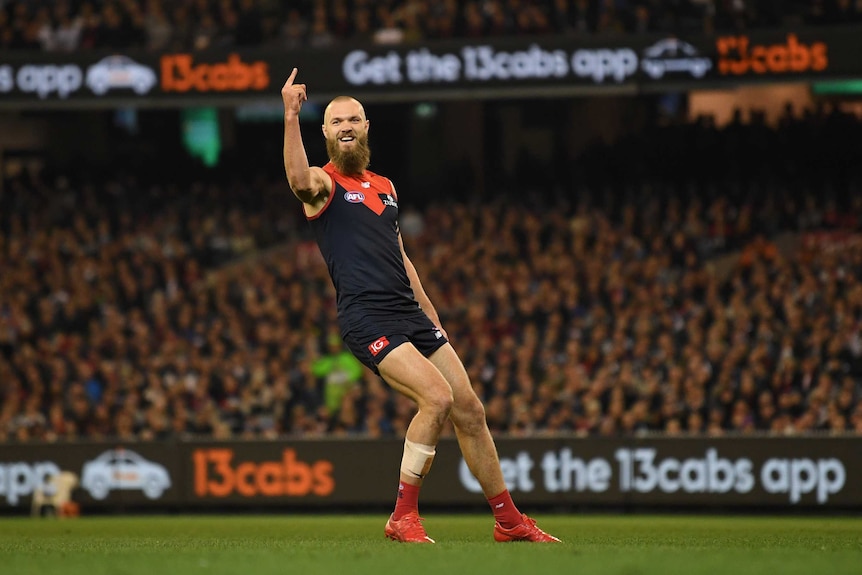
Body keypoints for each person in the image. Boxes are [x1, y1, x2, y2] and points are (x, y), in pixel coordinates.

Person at [280, 68, 560, 544]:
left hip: (409, 314)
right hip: (367, 318)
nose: (346, 126)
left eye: (354, 118)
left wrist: (432, 319)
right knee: (437, 398)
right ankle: (402, 517)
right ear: (325, 132)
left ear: (366, 126)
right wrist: (290, 115)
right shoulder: (323, 186)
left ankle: (510, 521)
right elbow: (296, 178)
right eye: (335, 121)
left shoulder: (385, 187)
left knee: (470, 409)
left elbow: (401, 257)